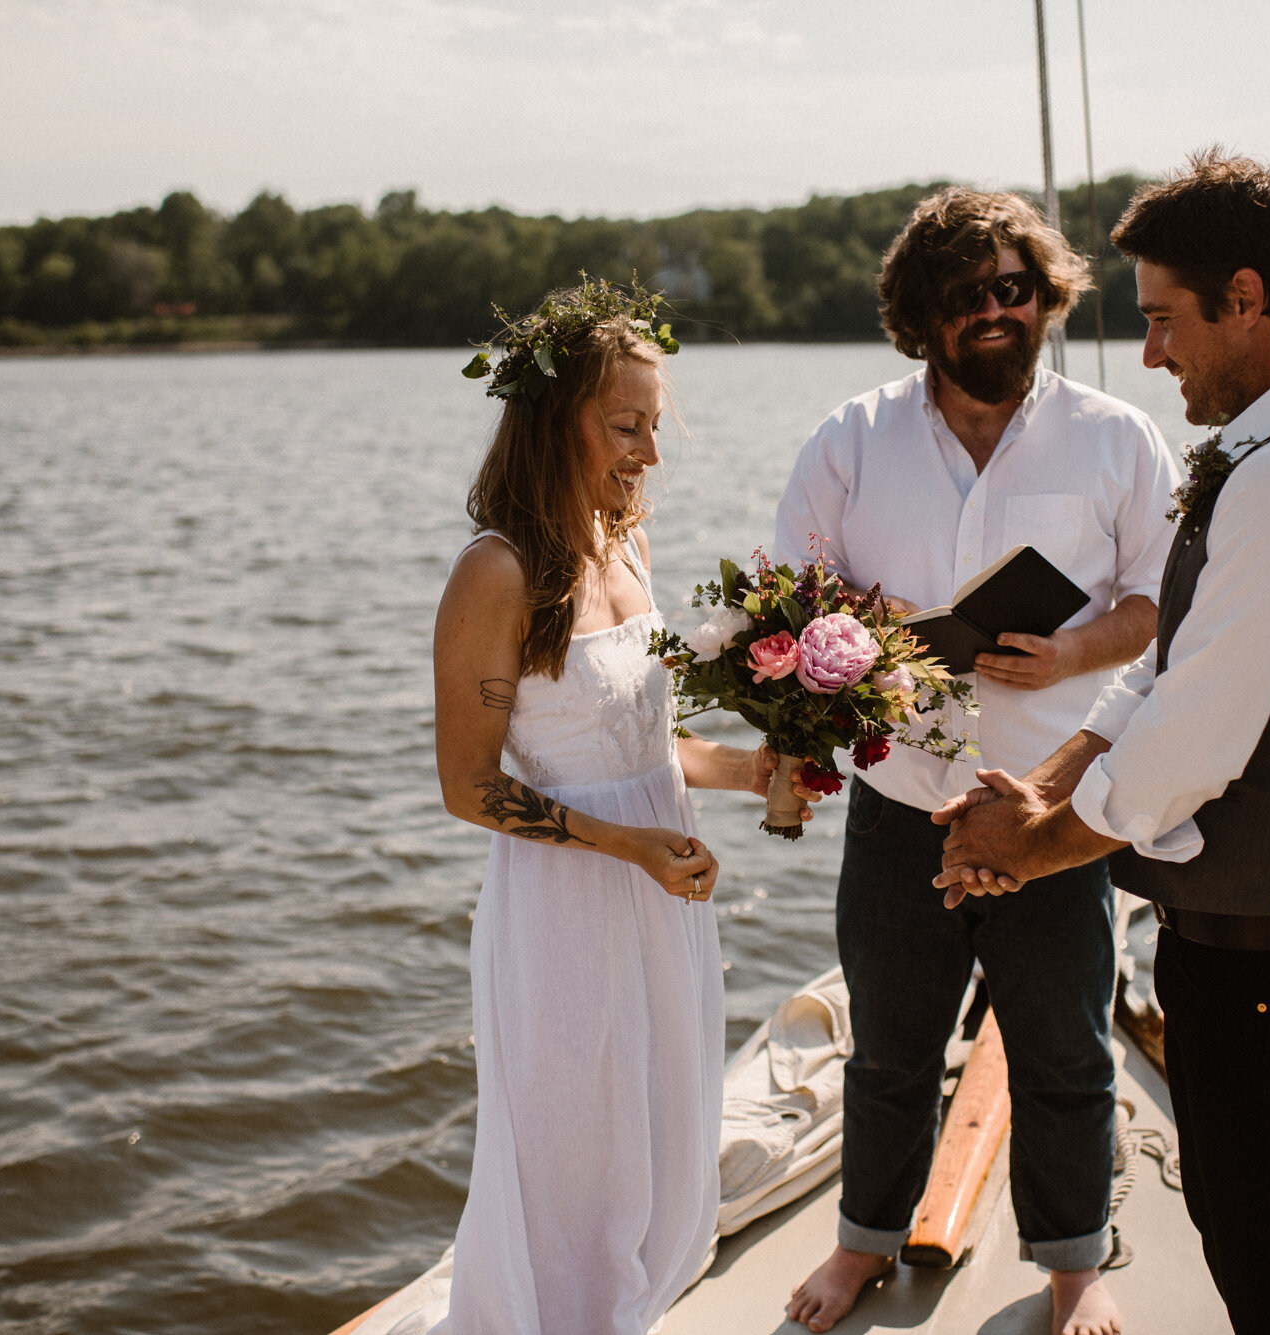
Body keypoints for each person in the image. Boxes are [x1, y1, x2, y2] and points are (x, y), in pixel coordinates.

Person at [933, 149, 1270, 1335]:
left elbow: (1190, 747)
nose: (1150, 354)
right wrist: (1043, 783)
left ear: (1242, 301)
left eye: (1162, 321)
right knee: (1255, 1251)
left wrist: (1016, 847)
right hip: (1241, 961)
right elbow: (1162, 666)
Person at [774, 187, 1180, 1335]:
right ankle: (862, 1246)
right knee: (889, 1052)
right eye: (969, 296)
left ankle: (1070, 1269)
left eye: (1016, 289)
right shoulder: (847, 439)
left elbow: (1153, 600)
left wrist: (1071, 652)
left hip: (1053, 805)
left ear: (1046, 297)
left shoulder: (1114, 436)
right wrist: (872, 624)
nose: (999, 311)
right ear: (921, 316)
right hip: (899, 797)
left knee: (1063, 1051)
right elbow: (789, 594)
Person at [430, 279, 811, 1334]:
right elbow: (470, 787)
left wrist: (751, 772)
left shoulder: (625, 547)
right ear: (558, 423)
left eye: (653, 425)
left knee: (654, 1141)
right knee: (571, 1165)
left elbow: (637, 746)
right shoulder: (496, 574)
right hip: (564, 911)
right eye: (626, 426)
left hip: (658, 895)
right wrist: (625, 845)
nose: (649, 451)